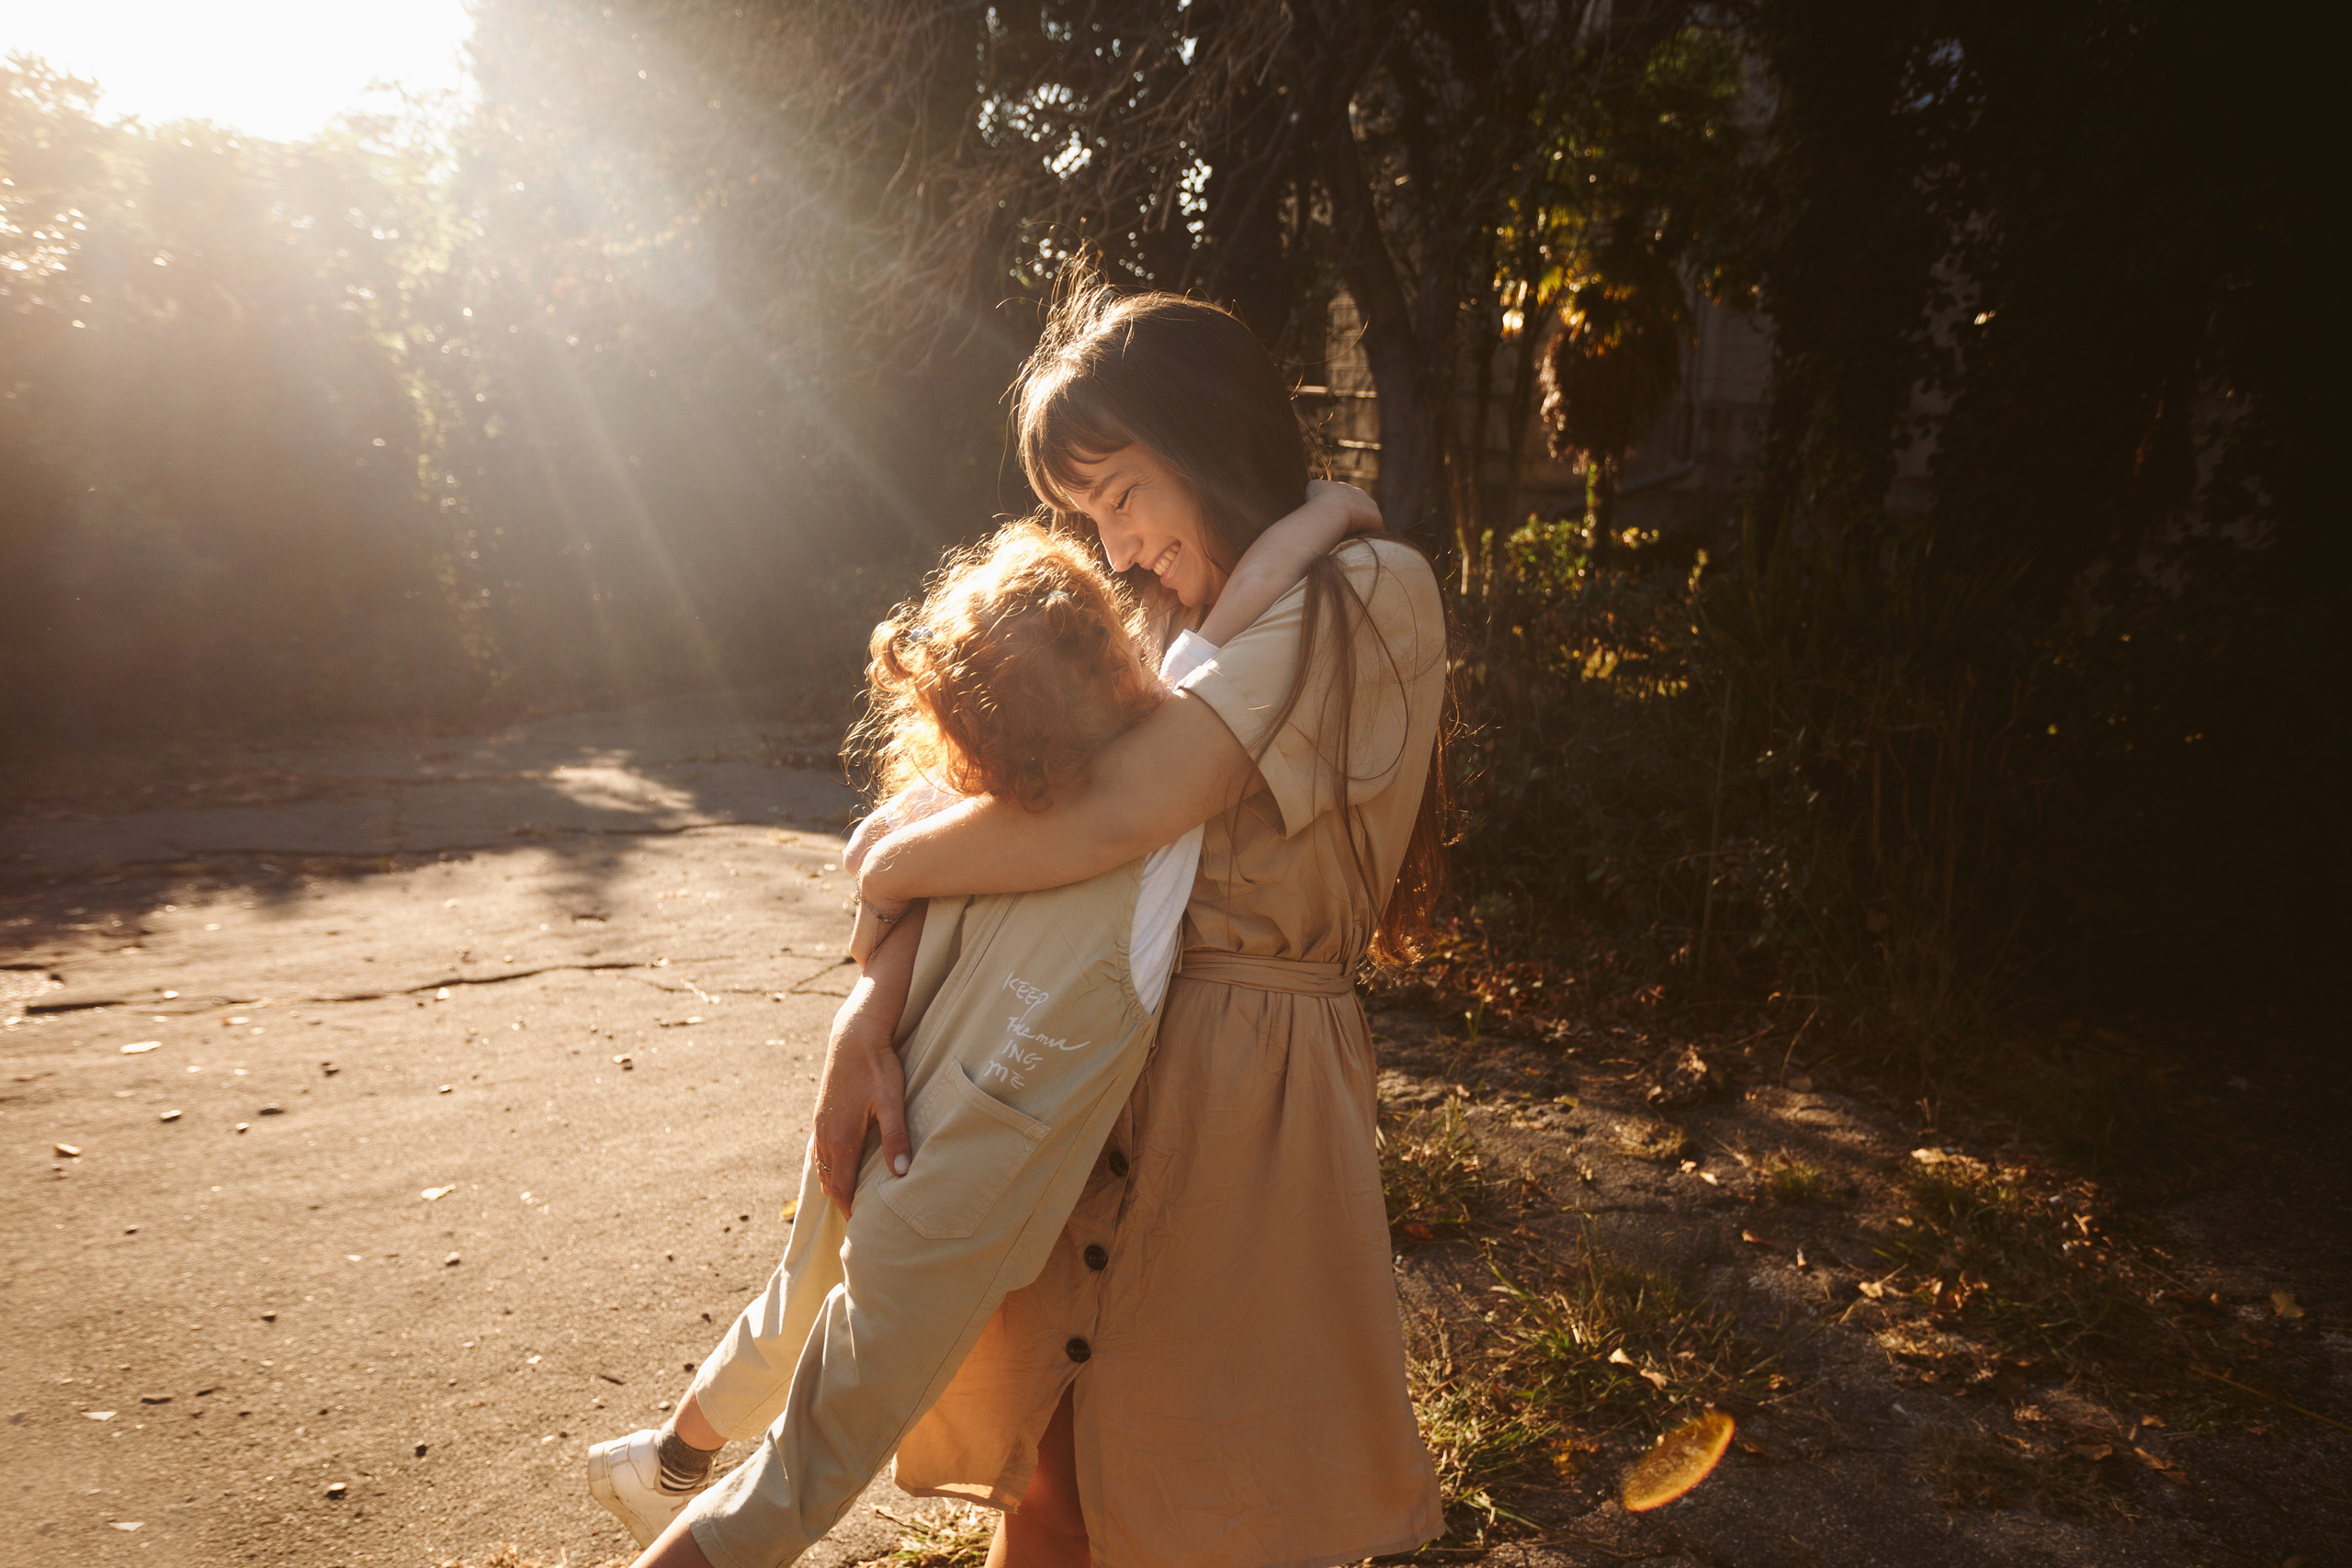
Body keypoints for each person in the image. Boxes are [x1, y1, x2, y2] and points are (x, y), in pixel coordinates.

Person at [586, 482, 1382, 1566]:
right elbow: (1256, 590)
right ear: (1116, 657)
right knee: (802, 1472)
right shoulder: (1148, 794)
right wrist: (1333, 510)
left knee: (794, 1301)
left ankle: (665, 1464)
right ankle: (670, 1514)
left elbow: (875, 874)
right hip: (956, 1190)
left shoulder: (970, 815)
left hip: (888, 1102)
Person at [843, 282, 1452, 1568]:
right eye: (1091, 517)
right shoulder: (1162, 621)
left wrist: (886, 864)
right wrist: (868, 1008)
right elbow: (997, 810)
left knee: (1208, 1505)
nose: (1115, 550)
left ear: (1208, 439)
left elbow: (1110, 813)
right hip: (1080, 1063)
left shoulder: (1369, 592)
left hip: (1242, 1097)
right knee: (1048, 1486)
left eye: (1124, 496)